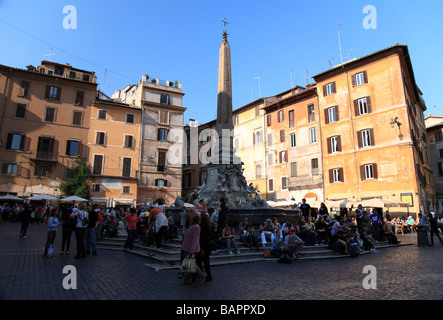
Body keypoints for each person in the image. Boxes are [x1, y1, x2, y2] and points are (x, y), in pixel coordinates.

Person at [180, 212, 207, 285]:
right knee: (190, 264)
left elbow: (196, 239)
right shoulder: (193, 226)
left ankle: (202, 275)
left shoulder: (196, 227)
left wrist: (192, 249)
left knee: (190, 264)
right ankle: (188, 279)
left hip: (191, 249)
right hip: (187, 247)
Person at [196, 212, 212, 281]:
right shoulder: (209, 225)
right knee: (206, 263)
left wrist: (201, 248)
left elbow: (202, 239)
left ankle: (201, 275)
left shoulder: (202, 227)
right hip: (207, 247)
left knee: (199, 262)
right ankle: (208, 276)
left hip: (202, 247)